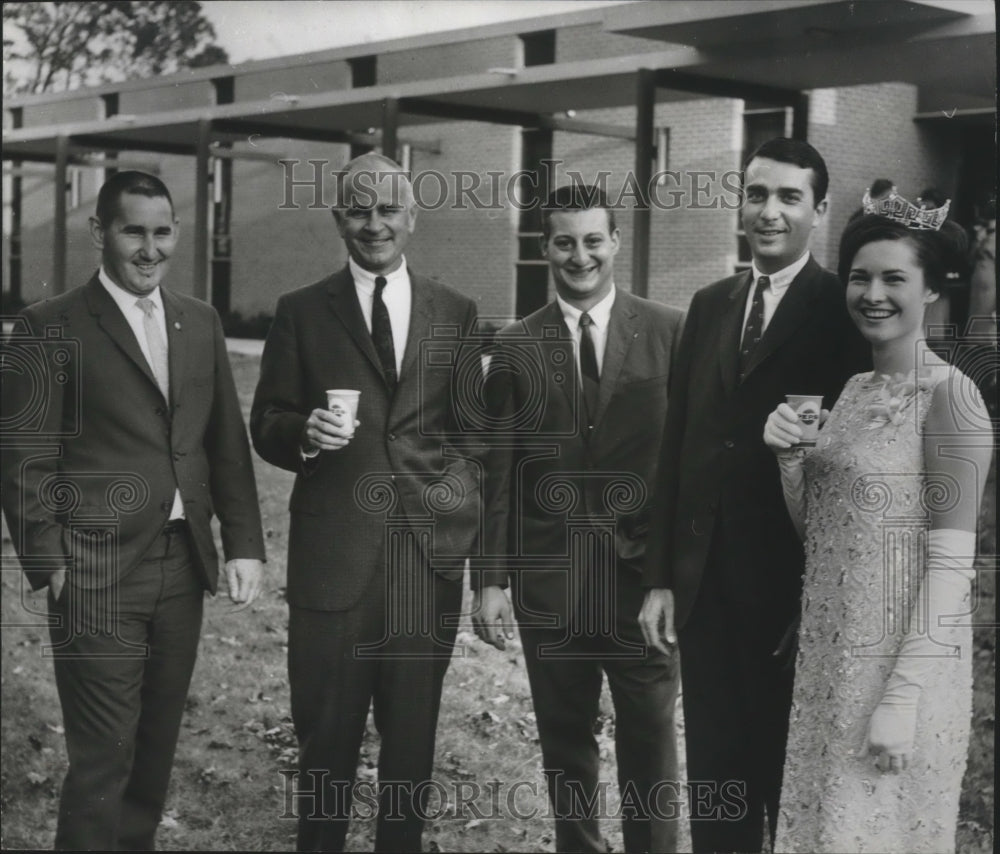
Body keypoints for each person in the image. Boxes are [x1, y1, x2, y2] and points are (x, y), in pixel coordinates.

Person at [0, 170, 265, 850]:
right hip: (95, 575)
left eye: (162, 232)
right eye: (133, 231)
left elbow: (224, 444)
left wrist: (243, 543)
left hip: (183, 568)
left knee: (152, 755)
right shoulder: (48, 325)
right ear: (99, 234)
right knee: (103, 762)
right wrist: (52, 565)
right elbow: (24, 458)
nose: (150, 249)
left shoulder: (199, 320)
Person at [639, 138, 871, 852]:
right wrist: (659, 581)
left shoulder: (845, 311)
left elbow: (858, 473)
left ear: (820, 209)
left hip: (791, 610)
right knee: (717, 791)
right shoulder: (709, 306)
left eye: (789, 198)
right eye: (756, 194)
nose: (768, 212)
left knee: (790, 794)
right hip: (705, 596)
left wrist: (823, 599)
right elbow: (677, 446)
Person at [250, 152, 482, 853]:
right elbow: (266, 422)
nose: (373, 224)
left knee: (409, 754)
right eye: (358, 209)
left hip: (422, 570)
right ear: (337, 219)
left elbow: (474, 439)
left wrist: (451, 514)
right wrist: (306, 435)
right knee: (326, 749)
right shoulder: (301, 312)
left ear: (412, 217)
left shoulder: (456, 312)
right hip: (334, 569)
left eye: (387, 209)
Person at [764, 204, 991, 853]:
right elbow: (824, 537)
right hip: (830, 668)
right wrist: (789, 460)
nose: (873, 294)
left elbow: (952, 568)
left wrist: (901, 698)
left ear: (932, 289)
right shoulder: (857, 388)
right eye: (860, 278)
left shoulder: (951, 397)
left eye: (894, 279)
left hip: (900, 671)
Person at [474, 185, 686, 853]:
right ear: (545, 250)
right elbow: (496, 471)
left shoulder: (669, 330)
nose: (580, 255)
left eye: (593, 240)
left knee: (650, 740)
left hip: (643, 586)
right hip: (550, 582)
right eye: (565, 241)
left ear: (616, 243)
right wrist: (489, 581)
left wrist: (676, 574)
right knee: (565, 747)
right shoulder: (512, 347)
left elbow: (687, 467)